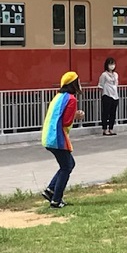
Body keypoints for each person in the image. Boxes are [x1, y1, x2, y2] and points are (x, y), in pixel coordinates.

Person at [41, 71, 85, 209]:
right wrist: (76, 115)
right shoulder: (71, 99)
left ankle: (50, 190)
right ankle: (56, 200)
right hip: (57, 138)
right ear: (74, 84)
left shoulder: (59, 96)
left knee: (68, 164)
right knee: (67, 166)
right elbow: (66, 121)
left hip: (49, 136)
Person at [98, 57, 119, 136]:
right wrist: (103, 94)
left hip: (115, 96)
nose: (112, 66)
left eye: (113, 64)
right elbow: (100, 85)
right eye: (110, 64)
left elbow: (116, 84)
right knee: (105, 113)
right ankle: (105, 129)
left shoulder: (116, 75)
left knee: (113, 113)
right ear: (107, 65)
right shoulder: (104, 75)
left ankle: (111, 128)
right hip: (107, 95)